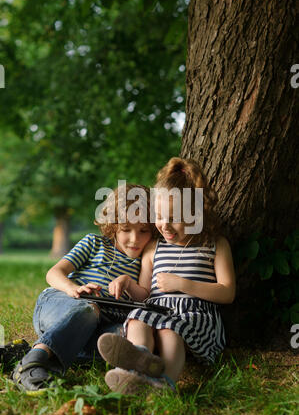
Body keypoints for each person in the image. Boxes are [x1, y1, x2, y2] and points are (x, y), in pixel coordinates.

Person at [98, 157, 236, 394]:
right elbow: (144, 294)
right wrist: (128, 283)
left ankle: (165, 382)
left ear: (197, 214)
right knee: (138, 317)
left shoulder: (214, 245)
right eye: (160, 217)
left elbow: (227, 291)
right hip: (157, 308)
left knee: (169, 328)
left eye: (174, 219)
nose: (165, 225)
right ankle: (138, 362)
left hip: (194, 315)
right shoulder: (154, 247)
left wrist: (183, 284)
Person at [12, 183, 159, 392]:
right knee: (89, 308)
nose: (135, 239)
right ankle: (30, 363)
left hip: (100, 324)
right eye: (126, 229)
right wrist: (73, 289)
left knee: (125, 341)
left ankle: (38, 351)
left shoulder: (145, 260)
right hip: (62, 304)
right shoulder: (93, 244)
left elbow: (143, 297)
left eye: (144, 230)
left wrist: (128, 281)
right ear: (113, 225)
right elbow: (53, 273)